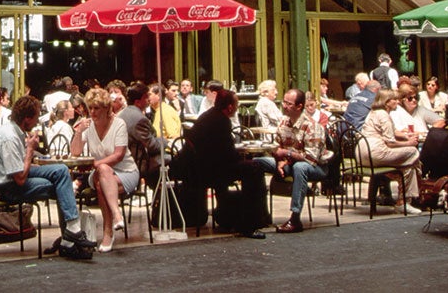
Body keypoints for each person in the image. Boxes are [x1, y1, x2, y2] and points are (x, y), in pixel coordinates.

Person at [0, 94, 95, 254]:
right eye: (35, 118)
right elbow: (20, 179)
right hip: (9, 187)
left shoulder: (14, 130)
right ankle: (70, 238)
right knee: (60, 186)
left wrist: (31, 153)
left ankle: (71, 232)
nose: (37, 122)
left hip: (15, 177)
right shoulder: (9, 137)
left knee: (61, 170)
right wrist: (29, 151)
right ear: (27, 119)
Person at [173, 84, 268, 238]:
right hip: (208, 172)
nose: (237, 108)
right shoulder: (221, 121)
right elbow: (227, 155)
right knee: (254, 169)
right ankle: (252, 222)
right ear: (230, 107)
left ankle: (234, 215)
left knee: (250, 167)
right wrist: (243, 157)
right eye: (236, 105)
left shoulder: (208, 116)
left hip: (197, 169)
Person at [71, 87, 139, 251]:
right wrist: (79, 132)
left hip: (126, 172)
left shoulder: (118, 124)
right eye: (90, 108)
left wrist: (96, 165)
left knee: (102, 177)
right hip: (102, 173)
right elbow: (75, 152)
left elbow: (118, 155)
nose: (92, 112)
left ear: (107, 109)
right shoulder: (89, 125)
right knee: (103, 172)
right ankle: (116, 215)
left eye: (97, 108)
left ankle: (108, 232)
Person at [252, 88, 328, 233]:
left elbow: (310, 158)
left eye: (288, 104)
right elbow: (277, 146)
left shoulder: (312, 126)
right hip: (288, 163)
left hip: (315, 167)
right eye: (284, 102)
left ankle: (295, 218)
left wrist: (286, 154)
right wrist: (280, 160)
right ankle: (260, 213)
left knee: (300, 167)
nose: (284, 106)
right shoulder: (284, 122)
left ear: (299, 106)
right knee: (257, 162)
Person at [358, 90, 422, 214]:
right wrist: (408, 143)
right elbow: (390, 143)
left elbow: (392, 131)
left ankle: (407, 199)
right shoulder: (384, 116)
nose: (398, 102)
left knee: (408, 166)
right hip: (375, 153)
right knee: (413, 153)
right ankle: (405, 201)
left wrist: (405, 136)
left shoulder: (374, 112)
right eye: (395, 99)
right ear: (387, 102)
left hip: (362, 153)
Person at [118, 81, 164, 188]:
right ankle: (160, 198)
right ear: (138, 102)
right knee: (170, 159)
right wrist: (165, 142)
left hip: (126, 158)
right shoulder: (140, 119)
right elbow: (152, 146)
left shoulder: (121, 114)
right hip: (136, 162)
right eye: (146, 97)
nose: (148, 100)